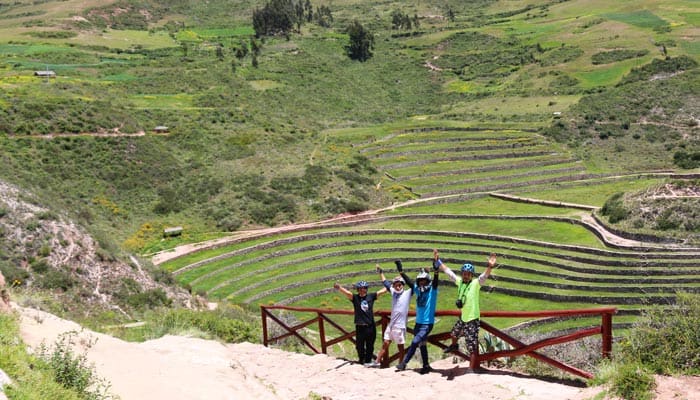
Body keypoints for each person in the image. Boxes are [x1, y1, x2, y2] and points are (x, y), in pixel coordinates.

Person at [436, 249, 497, 368]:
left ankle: (473, 367)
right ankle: (454, 345)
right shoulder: (459, 282)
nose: (466, 275)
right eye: (464, 273)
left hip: (473, 319)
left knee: (471, 344)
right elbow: (449, 273)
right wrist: (438, 261)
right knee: (454, 334)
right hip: (463, 318)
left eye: (468, 274)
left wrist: (489, 266)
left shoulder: (475, 284)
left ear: (471, 275)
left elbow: (484, 277)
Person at [395, 251, 441, 374]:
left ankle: (404, 363)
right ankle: (426, 366)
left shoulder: (432, 291)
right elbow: (410, 282)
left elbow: (436, 281)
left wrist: (436, 270)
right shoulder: (418, 290)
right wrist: (401, 271)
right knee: (422, 344)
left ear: (428, 281)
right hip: (418, 323)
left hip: (427, 323)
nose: (421, 283)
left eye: (424, 281)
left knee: (415, 341)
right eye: (420, 281)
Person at [334, 278, 387, 366]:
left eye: (364, 288)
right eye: (361, 288)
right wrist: (339, 287)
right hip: (360, 327)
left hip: (370, 326)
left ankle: (368, 362)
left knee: (370, 346)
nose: (363, 290)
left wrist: (390, 285)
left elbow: (381, 292)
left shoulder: (371, 296)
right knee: (359, 346)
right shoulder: (355, 298)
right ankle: (361, 360)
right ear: (358, 289)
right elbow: (347, 293)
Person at [369, 263, 413, 368]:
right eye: (396, 285)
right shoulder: (393, 292)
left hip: (400, 325)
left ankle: (402, 364)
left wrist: (401, 271)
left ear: (403, 285)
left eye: (400, 284)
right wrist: (380, 272)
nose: (398, 286)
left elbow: (412, 284)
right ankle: (377, 362)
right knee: (385, 343)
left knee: (400, 347)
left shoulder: (408, 293)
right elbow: (385, 283)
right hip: (392, 324)